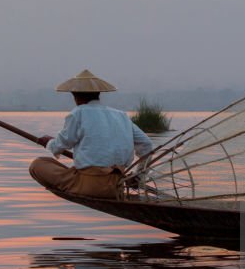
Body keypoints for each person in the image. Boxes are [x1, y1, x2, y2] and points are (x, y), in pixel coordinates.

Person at [29, 70, 154, 199]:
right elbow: (147, 145)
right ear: (98, 94)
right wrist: (138, 177)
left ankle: (75, 187)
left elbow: (59, 146)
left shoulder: (78, 113)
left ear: (75, 96)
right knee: (57, 164)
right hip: (116, 186)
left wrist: (48, 142)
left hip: (90, 186)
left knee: (37, 165)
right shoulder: (121, 115)